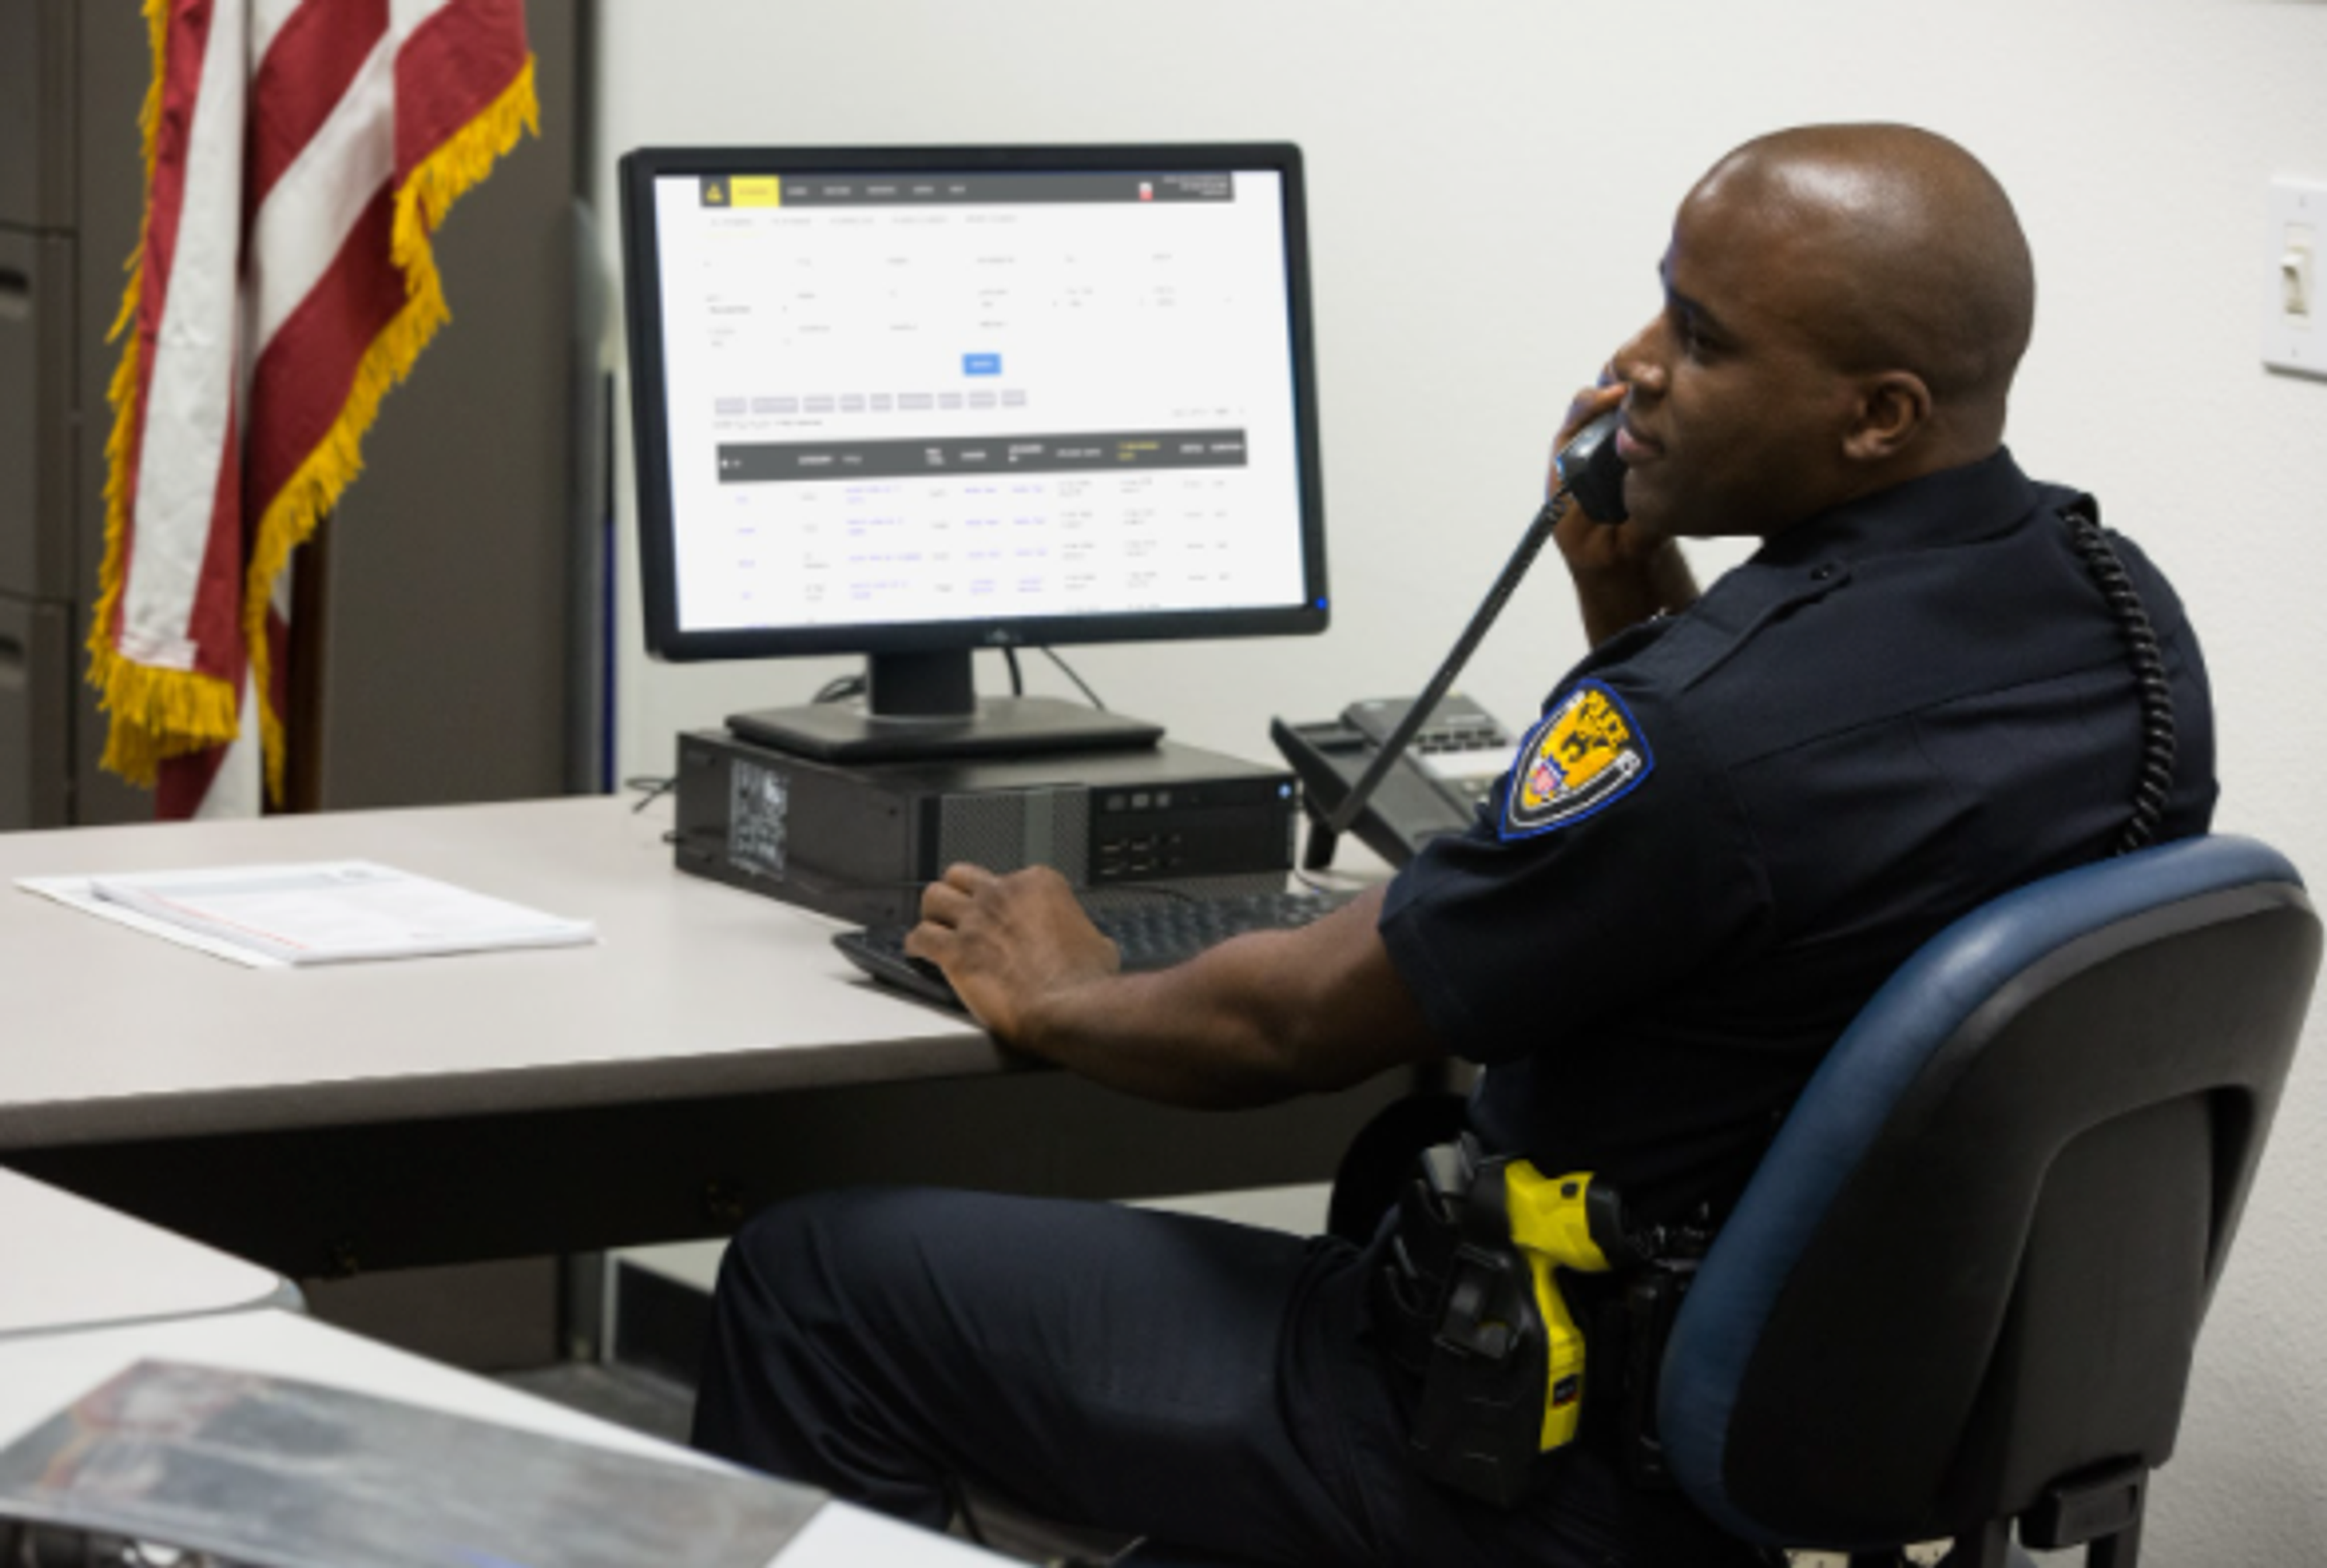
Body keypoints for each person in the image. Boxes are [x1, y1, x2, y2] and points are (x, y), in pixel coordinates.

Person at [690, 124, 2218, 1566]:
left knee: (815, 1280)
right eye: (1661, 304)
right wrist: (1629, 600)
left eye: (1700, 339)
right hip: (1805, 1411)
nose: (1635, 365)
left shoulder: (1697, 737)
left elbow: (1293, 1027)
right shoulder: (2125, 628)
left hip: (1515, 1455)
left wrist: (1062, 987)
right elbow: (1797, 865)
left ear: (1878, 414)